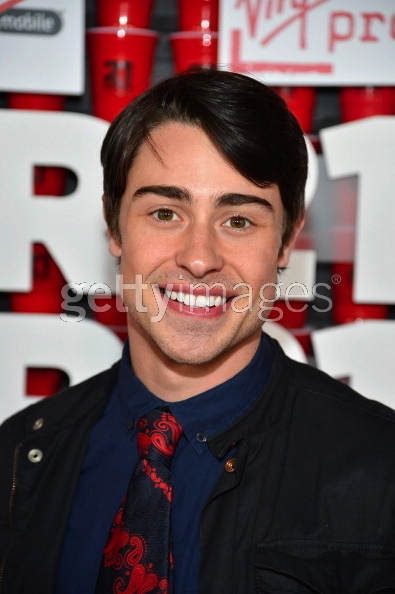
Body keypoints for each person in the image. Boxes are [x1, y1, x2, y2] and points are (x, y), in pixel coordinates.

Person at [1, 69, 395, 594]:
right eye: (166, 212)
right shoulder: (18, 454)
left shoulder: (380, 469)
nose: (199, 258)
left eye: (238, 221)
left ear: (286, 242)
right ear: (114, 226)